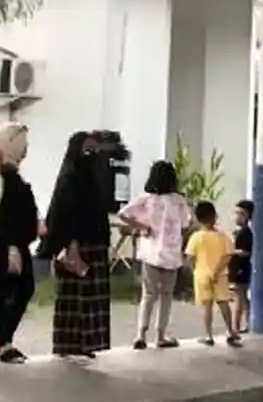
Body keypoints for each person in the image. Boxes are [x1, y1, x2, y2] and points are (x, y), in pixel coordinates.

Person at [41, 131, 112, 360]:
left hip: (93, 243)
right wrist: (70, 243)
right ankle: (66, 343)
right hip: (76, 245)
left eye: (95, 149)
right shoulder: (71, 177)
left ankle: (83, 343)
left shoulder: (93, 176)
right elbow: (65, 212)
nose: (92, 154)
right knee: (73, 297)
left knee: (87, 297)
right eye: (88, 149)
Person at [117, 160, 190, 350]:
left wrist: (142, 227)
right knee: (166, 295)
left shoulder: (146, 199)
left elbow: (122, 214)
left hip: (150, 252)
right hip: (171, 254)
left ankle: (140, 335)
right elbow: (185, 224)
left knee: (148, 295)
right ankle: (160, 335)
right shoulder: (179, 200)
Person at [0, 123, 38, 364]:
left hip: (16, 243)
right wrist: (12, 246)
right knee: (11, 290)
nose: (26, 150)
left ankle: (3, 340)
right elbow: (2, 214)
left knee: (18, 289)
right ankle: (2, 342)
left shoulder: (12, 174)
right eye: (23, 144)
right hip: (6, 245)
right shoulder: (3, 177)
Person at [184, 201, 242, 348]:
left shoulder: (196, 237)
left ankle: (208, 335)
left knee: (207, 307)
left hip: (201, 275)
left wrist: (194, 271)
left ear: (197, 218)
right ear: (215, 216)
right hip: (220, 276)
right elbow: (229, 254)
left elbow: (190, 257)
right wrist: (217, 270)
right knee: (224, 304)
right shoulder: (222, 236)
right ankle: (230, 331)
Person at [229, 199, 253, 336]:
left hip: (241, 268)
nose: (237, 216)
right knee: (242, 298)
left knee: (239, 298)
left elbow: (245, 251)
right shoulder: (240, 232)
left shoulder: (245, 233)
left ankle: (235, 326)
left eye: (241, 213)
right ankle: (247, 322)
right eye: (236, 213)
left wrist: (231, 251)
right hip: (239, 267)